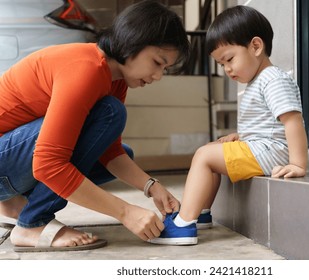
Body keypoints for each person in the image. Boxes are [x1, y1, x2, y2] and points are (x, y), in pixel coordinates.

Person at [0, 0, 190, 252]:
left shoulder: (115, 78)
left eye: (164, 68)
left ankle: (14, 203)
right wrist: (125, 212)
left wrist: (152, 186)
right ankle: (32, 223)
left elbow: (109, 151)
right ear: (132, 43)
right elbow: (48, 164)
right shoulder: (86, 69)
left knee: (122, 151)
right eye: (157, 62)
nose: (158, 76)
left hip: (9, 161)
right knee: (110, 113)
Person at [149, 5, 308, 245]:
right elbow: (266, 125)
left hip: (272, 153)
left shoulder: (272, 79)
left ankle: (183, 223)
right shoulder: (257, 81)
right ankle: (200, 214)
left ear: (256, 46)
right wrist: (240, 136)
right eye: (222, 64)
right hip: (263, 148)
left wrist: (297, 163)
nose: (227, 69)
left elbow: (292, 121)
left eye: (229, 59)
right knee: (210, 155)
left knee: (204, 156)